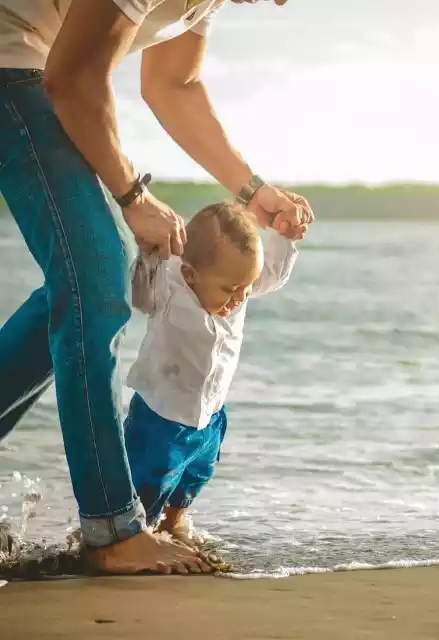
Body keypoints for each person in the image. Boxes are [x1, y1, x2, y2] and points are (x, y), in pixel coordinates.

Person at [0, 0, 313, 575]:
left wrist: (252, 192)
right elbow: (72, 78)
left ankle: (113, 526)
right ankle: (112, 529)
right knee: (96, 281)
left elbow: (177, 83)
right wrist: (133, 198)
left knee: (89, 283)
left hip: (37, 69)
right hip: (12, 64)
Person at [124, 200, 298, 547]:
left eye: (247, 287)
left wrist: (284, 234)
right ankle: (134, 537)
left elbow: (273, 273)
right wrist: (149, 255)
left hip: (210, 414)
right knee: (147, 484)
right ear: (191, 275)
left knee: (196, 475)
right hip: (161, 416)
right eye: (231, 290)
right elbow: (139, 296)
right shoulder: (170, 285)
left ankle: (175, 524)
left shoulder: (237, 281)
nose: (240, 297)